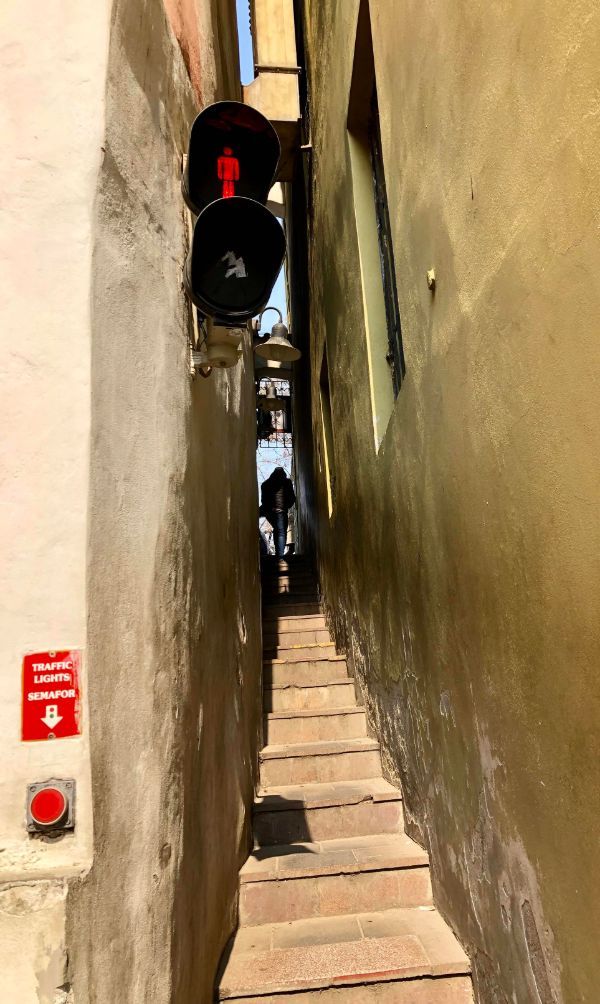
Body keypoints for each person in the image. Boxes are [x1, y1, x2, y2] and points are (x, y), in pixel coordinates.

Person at [260, 467, 296, 559]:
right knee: (281, 532)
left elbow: (263, 501)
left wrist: (270, 509)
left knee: (278, 530)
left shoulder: (265, 484)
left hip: (269, 512)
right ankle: (280, 556)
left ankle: (278, 555)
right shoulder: (287, 482)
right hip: (281, 512)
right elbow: (292, 498)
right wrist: (285, 507)